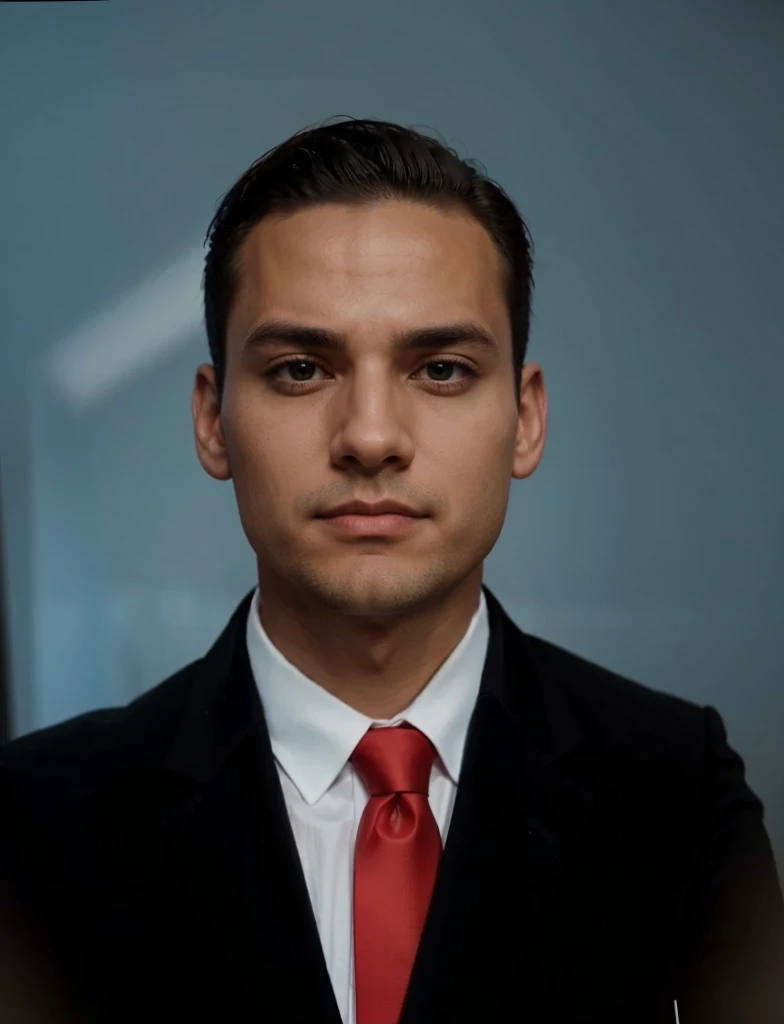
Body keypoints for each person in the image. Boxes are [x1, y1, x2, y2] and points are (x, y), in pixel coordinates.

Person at [1, 117, 782, 1024]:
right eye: (301, 369)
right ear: (213, 421)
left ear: (525, 419)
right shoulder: (37, 823)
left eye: (441, 369)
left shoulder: (677, 790)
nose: (370, 436)